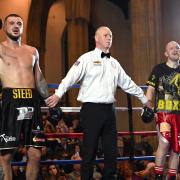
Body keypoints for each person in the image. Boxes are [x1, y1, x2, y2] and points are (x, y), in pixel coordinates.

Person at [47, 26, 150, 180]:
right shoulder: (86, 58)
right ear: (96, 38)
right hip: (91, 110)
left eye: (111, 35)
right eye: (105, 35)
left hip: (110, 111)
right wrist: (58, 94)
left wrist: (144, 99)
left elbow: (128, 83)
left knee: (111, 152)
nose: (109, 37)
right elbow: (70, 78)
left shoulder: (114, 63)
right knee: (89, 152)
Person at [0, 14, 49, 180]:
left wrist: (51, 101)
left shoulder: (32, 51)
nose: (15, 26)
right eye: (11, 23)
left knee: (35, 154)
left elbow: (40, 79)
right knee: (5, 155)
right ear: (4, 27)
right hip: (10, 101)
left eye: (19, 23)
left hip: (32, 101)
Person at [145, 41, 180, 180]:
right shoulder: (158, 69)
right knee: (164, 142)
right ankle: (158, 176)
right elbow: (151, 89)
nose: (175, 49)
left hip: (178, 113)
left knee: (176, 148)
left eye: (177, 47)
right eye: (171, 48)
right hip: (163, 112)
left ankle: (171, 176)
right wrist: (147, 105)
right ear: (166, 53)